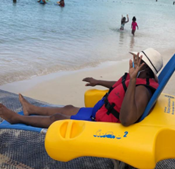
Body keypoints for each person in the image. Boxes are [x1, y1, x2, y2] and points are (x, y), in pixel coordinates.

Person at [0, 47, 163, 129]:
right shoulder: (141, 79)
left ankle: (16, 119)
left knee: (57, 118)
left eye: (137, 59)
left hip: (102, 125)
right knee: (67, 108)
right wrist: (97, 82)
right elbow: (121, 85)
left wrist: (133, 80)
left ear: (144, 67)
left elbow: (127, 120)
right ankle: (31, 109)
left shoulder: (142, 91)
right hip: (100, 112)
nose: (133, 60)